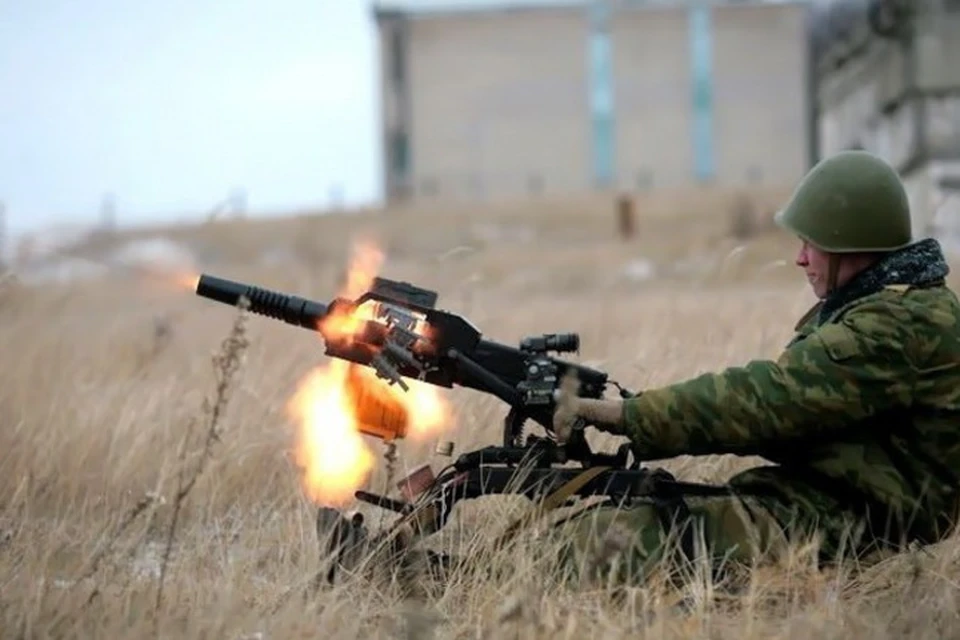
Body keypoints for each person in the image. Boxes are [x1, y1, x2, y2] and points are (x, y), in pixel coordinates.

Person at [550, 149, 960, 586]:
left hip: (862, 528)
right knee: (614, 522)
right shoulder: (893, 304)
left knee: (593, 546)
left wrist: (631, 415)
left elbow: (768, 401)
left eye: (811, 244)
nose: (801, 258)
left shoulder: (894, 325)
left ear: (849, 245)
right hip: (833, 502)